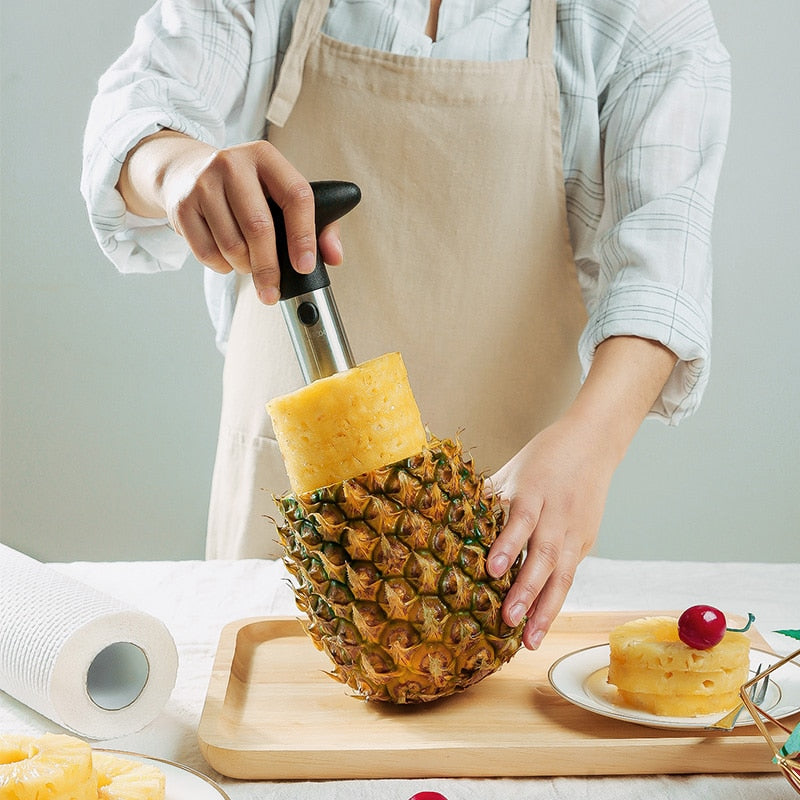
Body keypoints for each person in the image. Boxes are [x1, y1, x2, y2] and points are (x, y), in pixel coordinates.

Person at [81, 0, 730, 651]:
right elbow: (140, 107)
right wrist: (176, 166)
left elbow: (661, 279)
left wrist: (592, 444)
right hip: (282, 519)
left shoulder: (648, 17)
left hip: (502, 529)